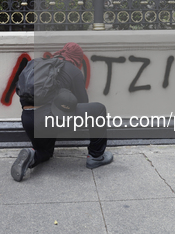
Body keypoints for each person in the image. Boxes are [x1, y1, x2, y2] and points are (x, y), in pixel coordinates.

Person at [11, 42, 113, 182]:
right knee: (99, 110)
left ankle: (32, 156)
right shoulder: (72, 69)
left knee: (45, 152)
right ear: (77, 57)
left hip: (28, 118)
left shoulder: (39, 64)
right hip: (50, 117)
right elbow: (83, 102)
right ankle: (96, 157)